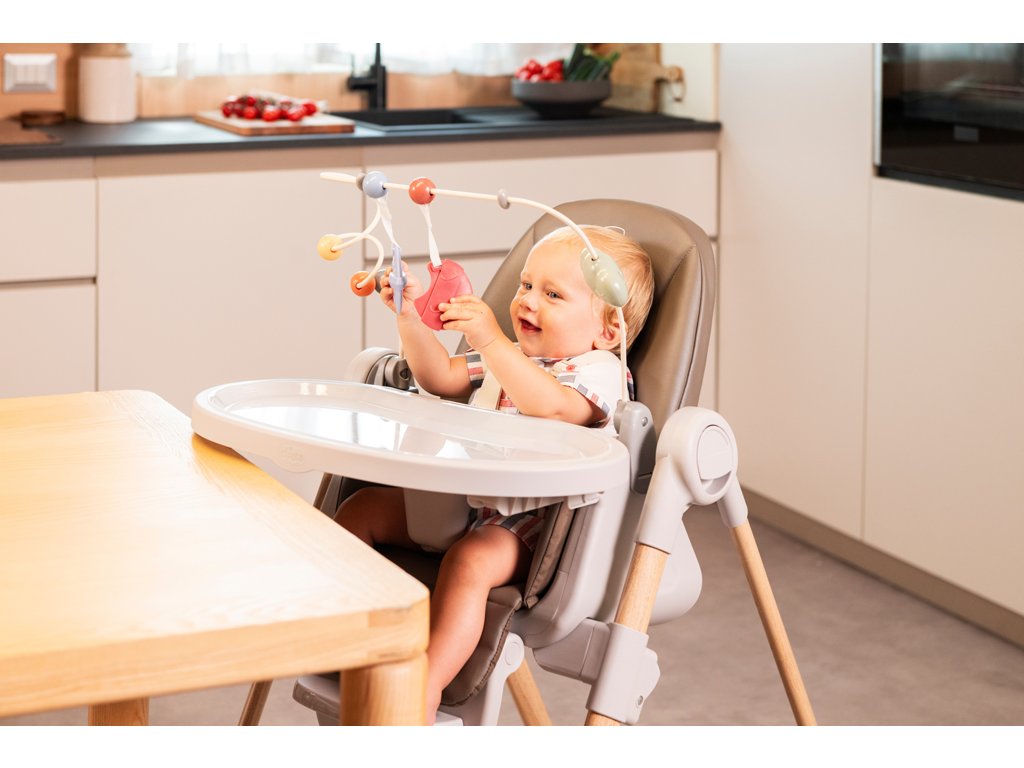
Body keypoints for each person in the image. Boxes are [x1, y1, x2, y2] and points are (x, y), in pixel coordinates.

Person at [334, 224, 654, 722]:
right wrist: (409, 319)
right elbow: (440, 377)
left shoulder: (599, 372)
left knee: (471, 562)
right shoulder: (513, 356)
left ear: (608, 331)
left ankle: (424, 687)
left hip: (534, 522)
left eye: (552, 294)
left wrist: (492, 341)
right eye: (526, 285)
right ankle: (342, 632)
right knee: (361, 510)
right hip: (467, 497)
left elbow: (553, 407)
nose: (528, 300)